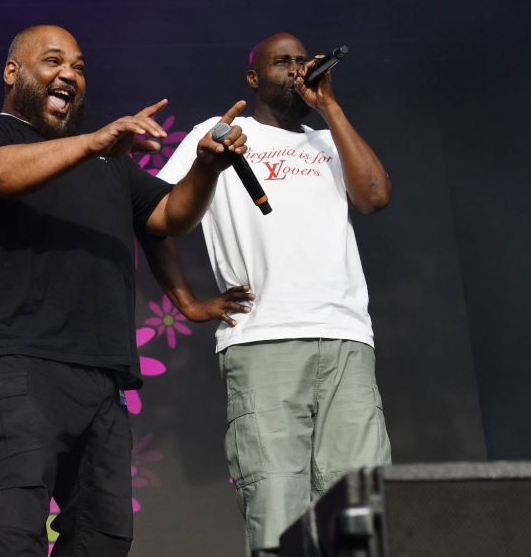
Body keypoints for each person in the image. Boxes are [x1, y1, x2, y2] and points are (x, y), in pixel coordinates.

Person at [0, 24, 248, 557]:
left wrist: (206, 166)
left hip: (100, 372)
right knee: (18, 525)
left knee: (104, 533)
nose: (69, 75)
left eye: (79, 67)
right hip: (16, 361)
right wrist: (92, 141)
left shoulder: (111, 165)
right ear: (13, 73)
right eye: (53, 62)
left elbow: (169, 216)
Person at [142, 33, 392, 556]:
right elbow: (153, 220)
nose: (297, 70)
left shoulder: (329, 141)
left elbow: (373, 197)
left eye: (303, 62)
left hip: (346, 338)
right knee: (280, 508)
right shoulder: (220, 136)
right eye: (282, 63)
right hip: (264, 341)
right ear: (254, 77)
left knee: (359, 512)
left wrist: (331, 107)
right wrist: (187, 303)